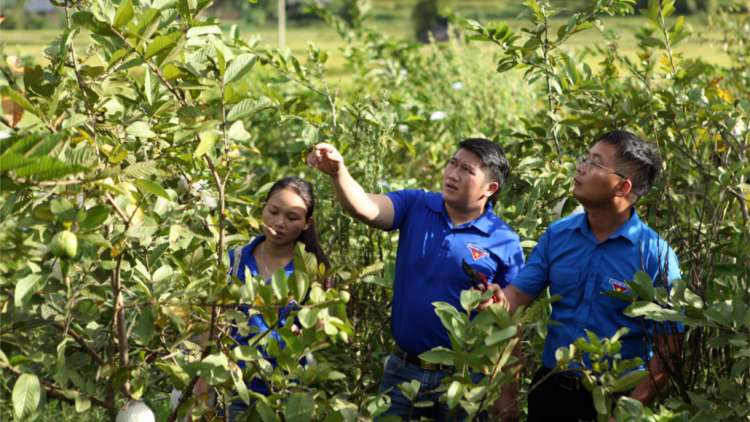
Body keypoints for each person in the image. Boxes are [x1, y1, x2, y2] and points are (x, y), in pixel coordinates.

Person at [307, 138, 525, 421]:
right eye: (452, 163)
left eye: (467, 170)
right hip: (402, 371)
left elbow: (512, 323)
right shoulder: (417, 205)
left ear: (490, 188)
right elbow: (365, 207)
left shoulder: (504, 241)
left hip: (465, 380)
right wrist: (339, 173)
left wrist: (508, 393)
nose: (453, 174)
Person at [495, 131, 683, 422]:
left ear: (623, 186)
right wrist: (493, 298)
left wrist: (626, 413)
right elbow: (515, 299)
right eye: (585, 158)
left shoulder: (655, 257)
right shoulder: (558, 235)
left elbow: (668, 354)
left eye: (595, 163)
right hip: (550, 393)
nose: (580, 167)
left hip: (614, 399)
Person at [193, 176, 331, 421]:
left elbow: (322, 337)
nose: (279, 222)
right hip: (233, 389)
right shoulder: (234, 260)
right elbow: (213, 328)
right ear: (263, 209)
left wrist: (306, 333)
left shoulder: (312, 270)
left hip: (288, 391)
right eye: (273, 211)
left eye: (292, 218)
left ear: (307, 223)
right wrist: (202, 388)